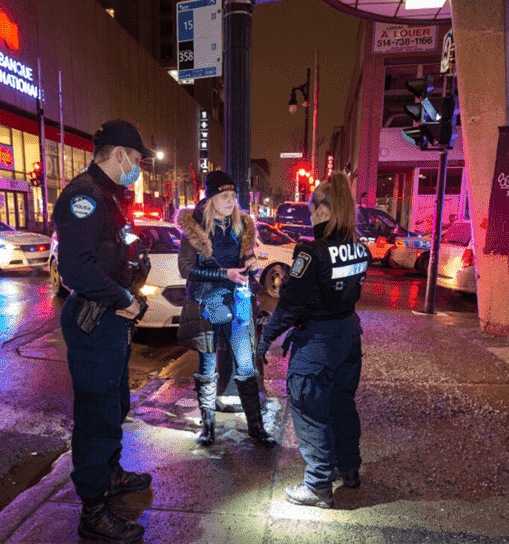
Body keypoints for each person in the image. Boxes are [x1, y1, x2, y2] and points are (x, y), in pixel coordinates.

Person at [52, 119, 153, 544]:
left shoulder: (110, 197)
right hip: (96, 321)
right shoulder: (84, 197)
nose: (138, 169)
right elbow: (77, 269)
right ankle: (93, 511)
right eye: (136, 161)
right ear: (117, 155)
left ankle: (110, 474)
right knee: (96, 418)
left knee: (115, 406)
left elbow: (117, 251)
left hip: (111, 323)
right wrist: (123, 300)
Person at [257, 171, 370, 509]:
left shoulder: (312, 253)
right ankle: (349, 470)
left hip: (319, 343)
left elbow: (289, 306)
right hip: (349, 336)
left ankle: (318, 485)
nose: (310, 215)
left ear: (323, 210)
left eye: (311, 209)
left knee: (310, 412)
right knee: (342, 406)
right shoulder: (359, 250)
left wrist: (265, 341)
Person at [176, 170, 276, 448]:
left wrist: (252, 263)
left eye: (233, 195)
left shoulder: (240, 227)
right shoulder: (195, 229)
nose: (230, 200)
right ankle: (208, 426)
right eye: (224, 196)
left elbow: (245, 261)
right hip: (207, 304)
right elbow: (186, 269)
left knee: (246, 364)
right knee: (207, 366)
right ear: (211, 199)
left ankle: (256, 427)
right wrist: (225, 274)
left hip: (238, 303)